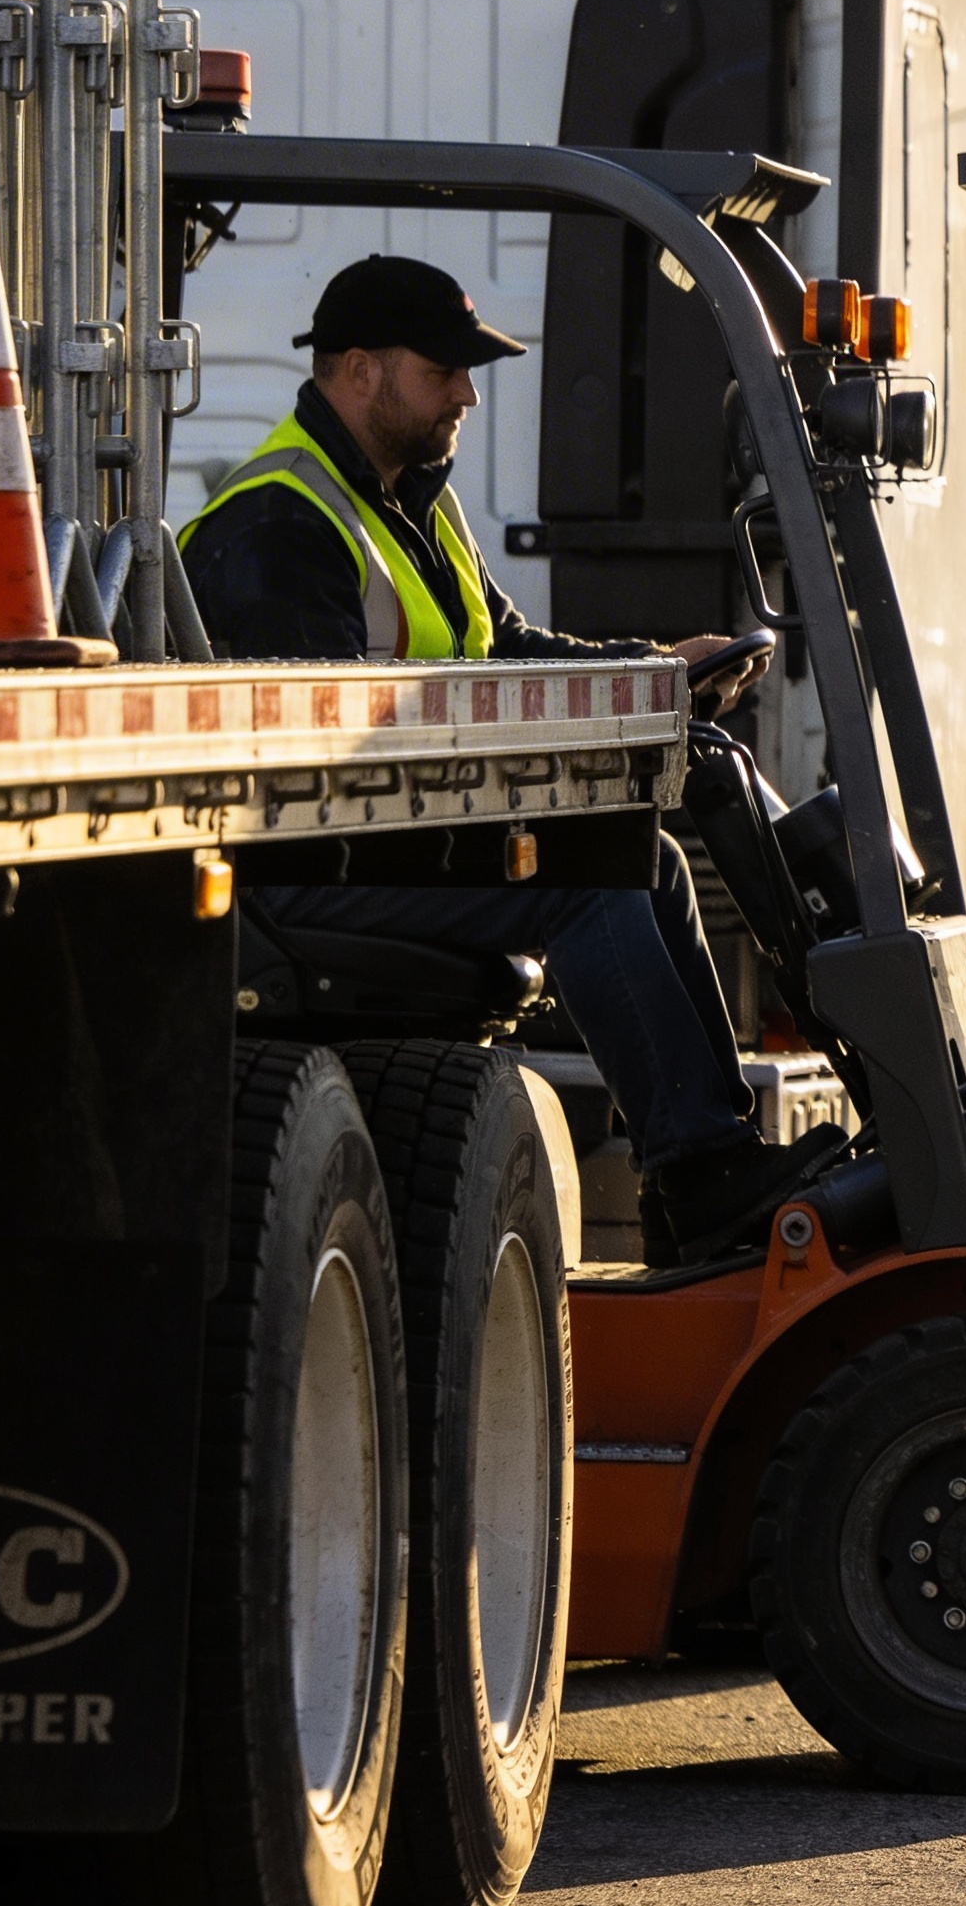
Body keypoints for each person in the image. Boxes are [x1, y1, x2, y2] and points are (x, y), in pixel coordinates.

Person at [183, 254, 835, 1263]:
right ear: (359, 369)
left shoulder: (415, 503)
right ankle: (700, 1169)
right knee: (586, 886)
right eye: (444, 371)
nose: (467, 394)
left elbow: (506, 652)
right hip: (302, 871)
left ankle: (703, 1169)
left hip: (387, 842)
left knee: (647, 859)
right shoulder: (277, 522)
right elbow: (320, 753)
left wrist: (655, 670)